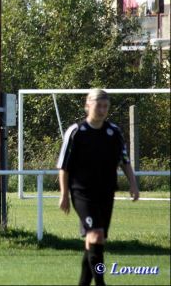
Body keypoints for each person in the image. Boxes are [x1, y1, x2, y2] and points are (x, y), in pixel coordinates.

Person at [57, 89, 139, 286]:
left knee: (94, 242)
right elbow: (63, 166)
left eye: (105, 106)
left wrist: (133, 185)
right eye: (98, 105)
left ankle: (84, 283)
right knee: (96, 235)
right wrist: (64, 194)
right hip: (82, 193)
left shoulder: (114, 132)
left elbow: (125, 161)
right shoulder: (76, 131)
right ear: (87, 105)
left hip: (106, 192)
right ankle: (101, 283)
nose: (102, 110)